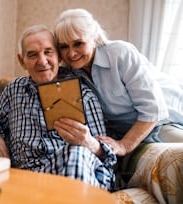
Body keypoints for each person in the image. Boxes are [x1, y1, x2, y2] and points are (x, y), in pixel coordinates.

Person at [0, 24, 117, 191]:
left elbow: (108, 159)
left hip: (79, 171)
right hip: (28, 178)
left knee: (77, 155)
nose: (42, 61)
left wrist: (89, 143)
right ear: (21, 61)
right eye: (32, 55)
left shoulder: (83, 95)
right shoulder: (14, 89)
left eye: (48, 52)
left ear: (59, 57)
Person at [53, 8, 183, 157]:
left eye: (78, 43)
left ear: (94, 37)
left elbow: (153, 109)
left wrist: (124, 145)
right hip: (127, 132)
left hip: (164, 122)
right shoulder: (70, 74)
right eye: (64, 47)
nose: (71, 53)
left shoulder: (120, 54)